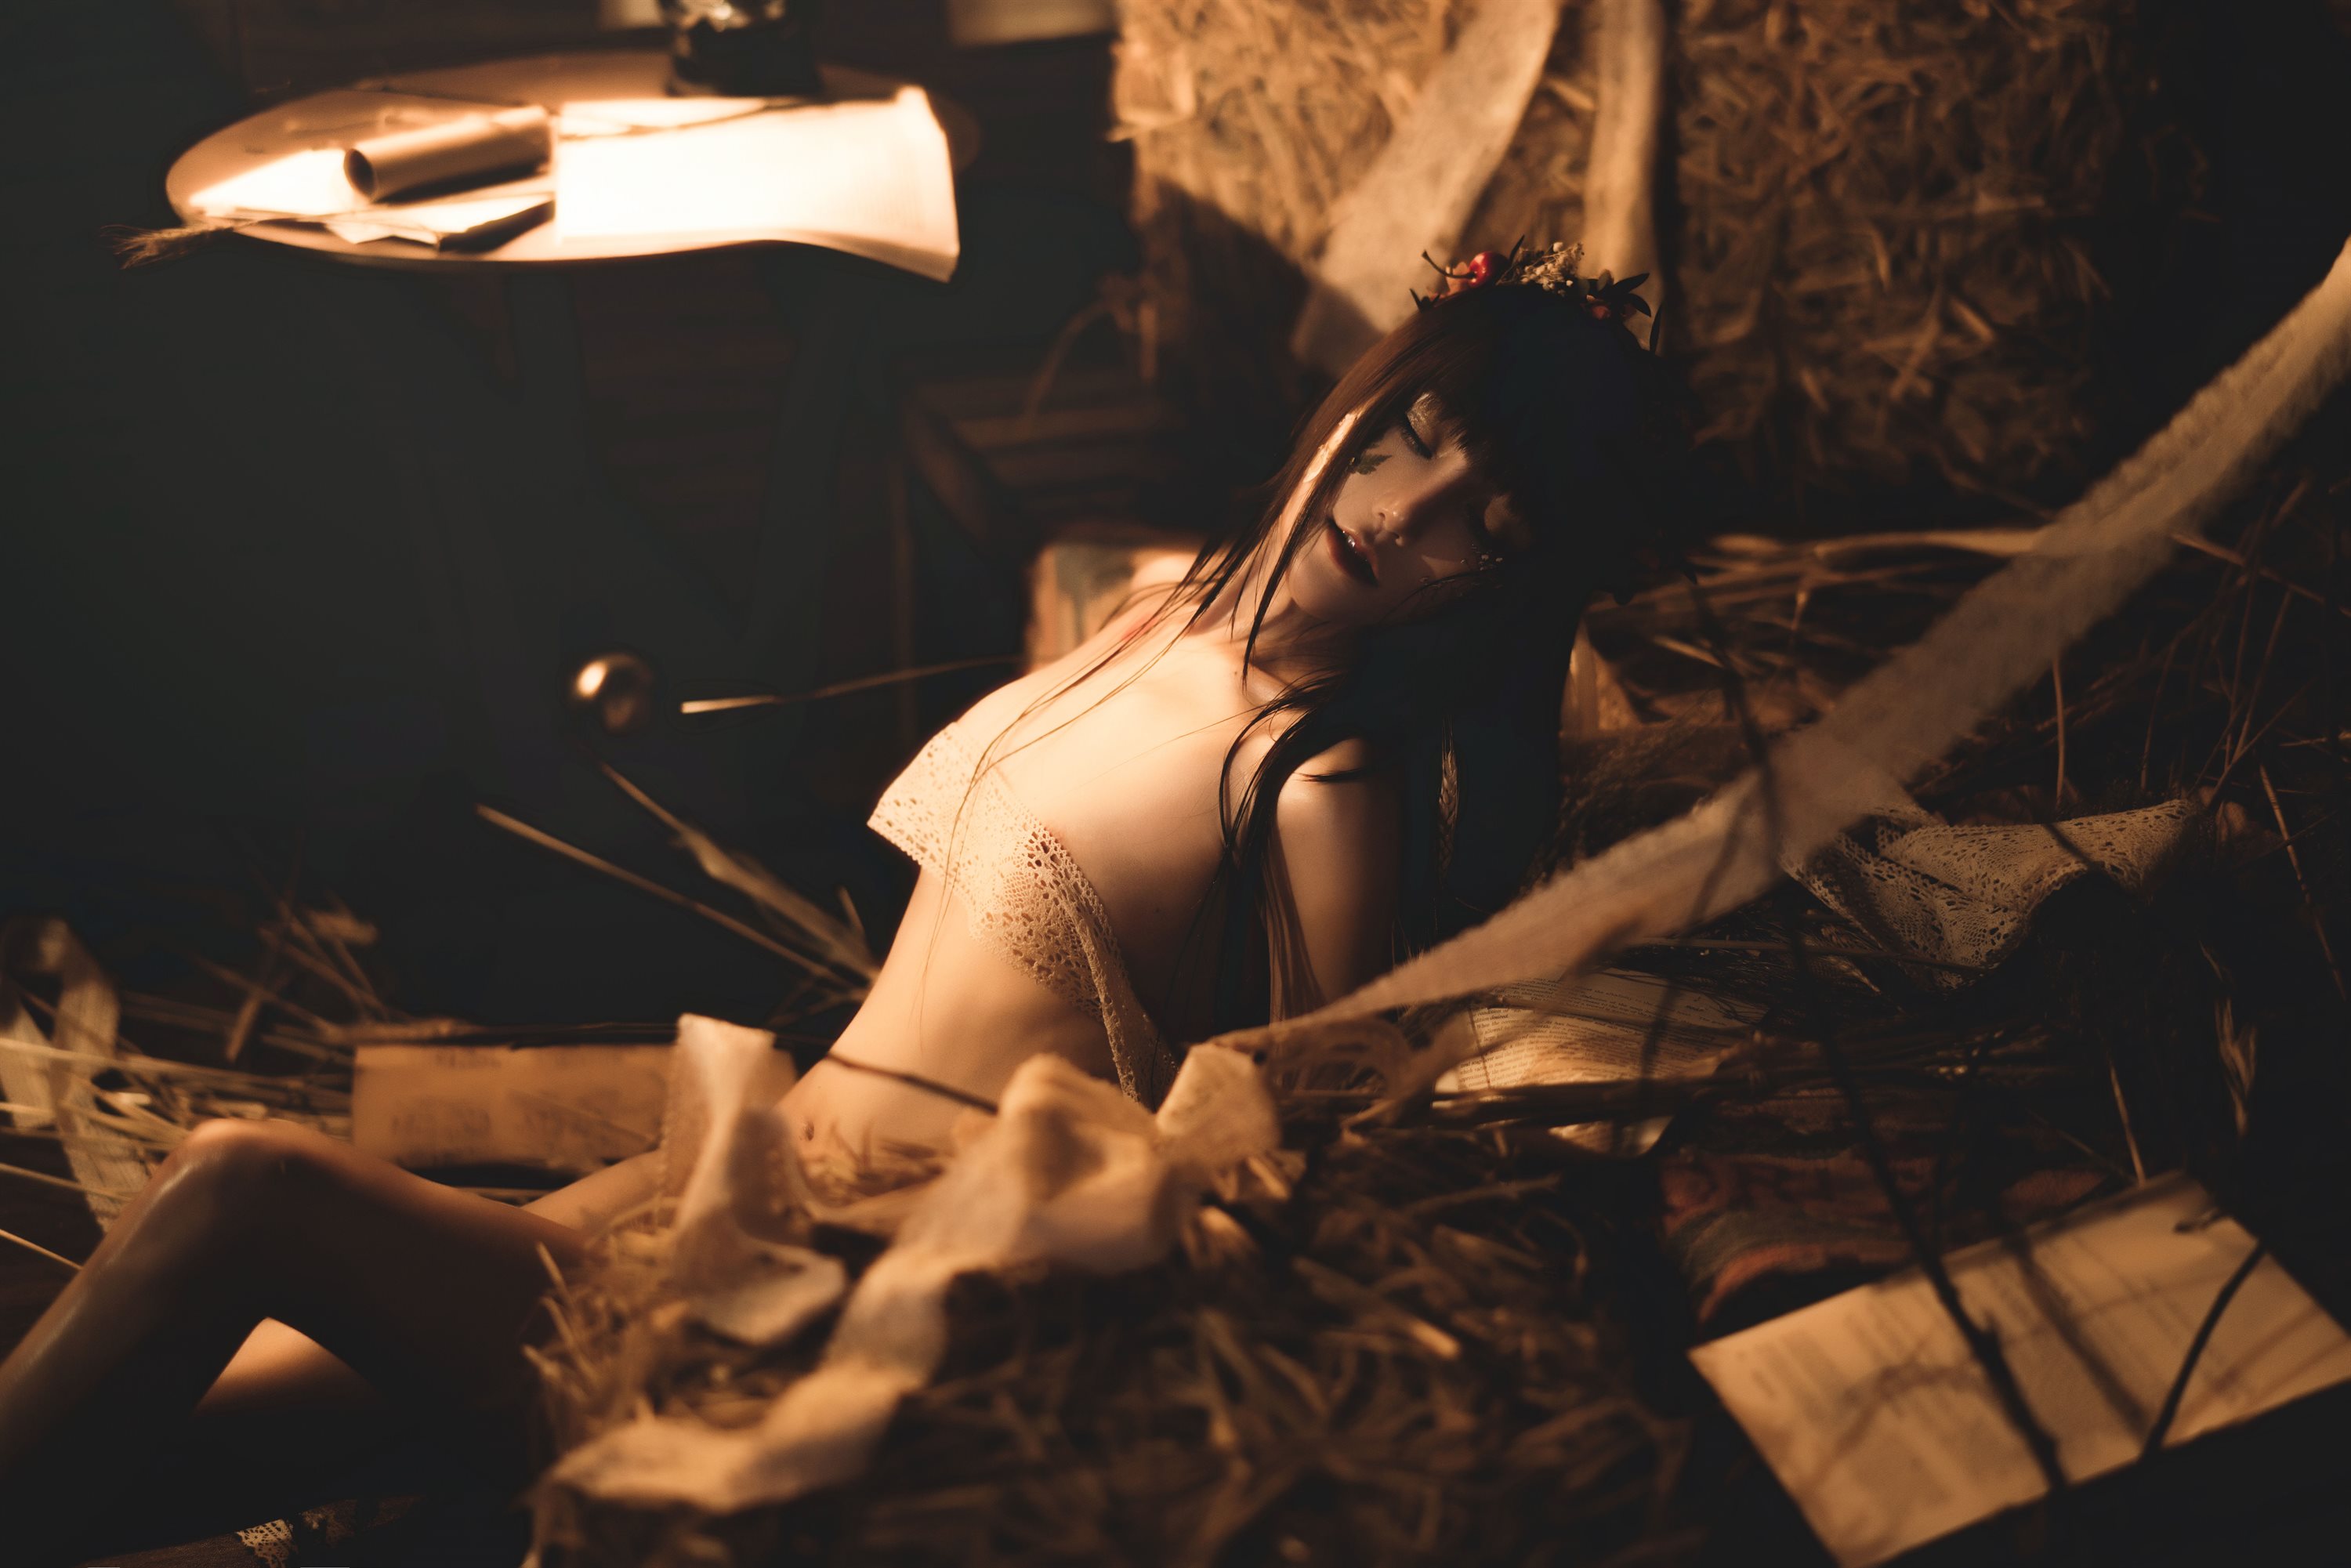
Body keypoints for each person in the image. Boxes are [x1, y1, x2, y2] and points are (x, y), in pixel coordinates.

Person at [0, 244, 1683, 1558]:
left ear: (1509, 582)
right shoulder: (1161, 605)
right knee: (154, 1433)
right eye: (1404, 441)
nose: (1398, 515)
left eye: (1482, 524)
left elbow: (1299, 1167)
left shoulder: (1323, 787)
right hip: (717, 1179)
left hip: (809, 1308)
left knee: (241, 1189)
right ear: (1359, 401)